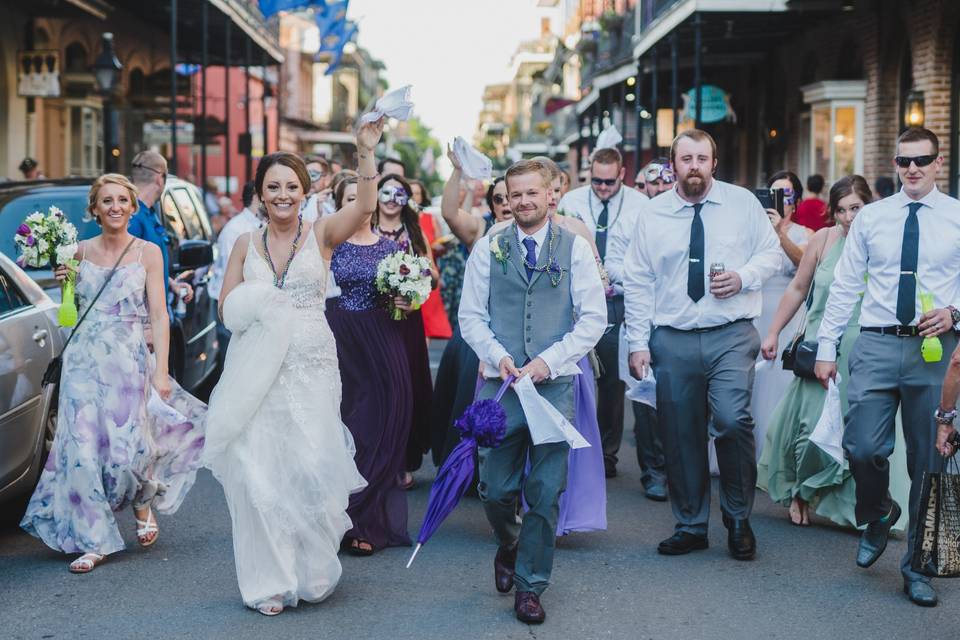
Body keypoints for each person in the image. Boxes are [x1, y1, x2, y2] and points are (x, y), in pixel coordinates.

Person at [204, 119, 383, 616]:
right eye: (273, 187)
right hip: (257, 369)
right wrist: (257, 303)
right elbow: (225, 309)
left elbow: (366, 205)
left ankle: (312, 569)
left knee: (308, 465)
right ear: (260, 194)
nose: (282, 195)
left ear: (306, 191)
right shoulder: (244, 244)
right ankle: (271, 581)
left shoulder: (322, 234)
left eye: (291, 186)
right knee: (261, 471)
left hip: (312, 365)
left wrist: (365, 150)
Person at [20, 174, 206, 573]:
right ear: (95, 209)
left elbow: (159, 313)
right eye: (107, 201)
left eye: (123, 200)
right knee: (82, 451)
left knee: (127, 450)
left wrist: (161, 373)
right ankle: (94, 538)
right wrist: (64, 286)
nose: (116, 207)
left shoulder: (149, 253)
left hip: (128, 361)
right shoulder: (74, 251)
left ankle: (142, 499)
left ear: (133, 207)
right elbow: (68, 316)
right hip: (84, 364)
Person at [815, 127, 960, 607]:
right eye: (904, 161)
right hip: (876, 344)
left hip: (933, 349)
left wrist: (956, 313)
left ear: (938, 162)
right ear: (895, 165)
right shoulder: (872, 218)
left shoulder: (957, 217)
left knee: (928, 462)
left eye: (921, 160)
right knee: (860, 446)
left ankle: (918, 567)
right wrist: (826, 347)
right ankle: (878, 511)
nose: (913, 169)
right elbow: (844, 286)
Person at [459, 158, 606, 624]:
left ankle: (531, 585)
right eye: (514, 194)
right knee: (493, 488)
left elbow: (593, 319)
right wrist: (498, 356)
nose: (522, 201)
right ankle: (510, 542)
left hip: (553, 386)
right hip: (499, 387)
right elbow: (470, 317)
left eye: (531, 193)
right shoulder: (489, 247)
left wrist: (549, 361)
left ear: (551, 196)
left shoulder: (575, 248)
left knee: (545, 491)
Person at [625, 129, 780, 560]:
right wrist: (638, 342)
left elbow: (771, 254)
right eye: (685, 158)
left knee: (732, 421)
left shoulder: (742, 204)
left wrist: (743, 277)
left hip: (730, 333)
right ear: (672, 164)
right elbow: (638, 280)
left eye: (702, 158)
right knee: (680, 434)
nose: (694, 166)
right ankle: (691, 524)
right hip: (672, 337)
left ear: (715, 162)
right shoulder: (653, 215)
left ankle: (737, 518)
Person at [758, 175, 908, 529]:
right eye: (841, 210)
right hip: (819, 344)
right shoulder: (822, 240)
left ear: (868, 206)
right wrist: (774, 331)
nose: (848, 218)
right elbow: (798, 287)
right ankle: (800, 490)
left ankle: (859, 508)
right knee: (810, 424)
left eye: (855, 208)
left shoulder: (886, 241)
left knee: (860, 432)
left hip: (866, 348)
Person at [558, 146, 665, 500]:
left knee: (624, 380)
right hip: (579, 304)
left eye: (609, 181)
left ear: (621, 175)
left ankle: (628, 459)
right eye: (596, 180)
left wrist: (615, 278)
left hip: (623, 301)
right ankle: (587, 454)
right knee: (586, 378)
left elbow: (643, 260)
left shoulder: (641, 206)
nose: (602, 187)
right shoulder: (570, 200)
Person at [326, 175, 412, 556]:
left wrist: (406, 300)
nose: (358, 203)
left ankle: (366, 520)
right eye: (349, 198)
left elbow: (405, 298)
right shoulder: (327, 245)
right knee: (344, 425)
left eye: (363, 196)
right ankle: (335, 518)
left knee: (378, 426)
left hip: (380, 339)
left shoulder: (391, 248)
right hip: (338, 337)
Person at [431, 154, 512, 469]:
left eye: (512, 196)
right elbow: (450, 211)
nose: (506, 203)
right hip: (477, 335)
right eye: (499, 199)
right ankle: (466, 469)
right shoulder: (481, 230)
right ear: (492, 206)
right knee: (471, 400)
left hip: (519, 335)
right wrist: (457, 171)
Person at [372, 174, 436, 485]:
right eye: (385, 192)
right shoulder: (365, 228)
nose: (390, 199)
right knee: (377, 387)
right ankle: (376, 458)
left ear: (406, 199)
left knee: (407, 386)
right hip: (373, 318)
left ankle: (404, 460)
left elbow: (432, 273)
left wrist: (416, 292)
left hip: (407, 319)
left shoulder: (414, 232)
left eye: (399, 193)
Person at [752, 171, 814, 459]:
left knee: (780, 383)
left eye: (786, 195)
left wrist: (779, 233)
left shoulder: (807, 234)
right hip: (757, 311)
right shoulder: (754, 232)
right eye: (773, 193)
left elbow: (803, 263)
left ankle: (777, 455)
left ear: (796, 201)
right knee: (752, 382)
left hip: (788, 315)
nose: (780, 200)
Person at [128, 151, 194, 311]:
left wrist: (172, 284)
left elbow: (149, 267)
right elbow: (128, 273)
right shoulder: (133, 218)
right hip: (142, 318)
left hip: (160, 312)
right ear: (159, 178)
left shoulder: (150, 213)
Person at [208, 181, 263, 359]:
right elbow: (231, 278)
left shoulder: (262, 226)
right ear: (257, 197)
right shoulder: (235, 230)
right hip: (235, 311)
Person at [409, 179, 452, 340]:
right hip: (407, 273)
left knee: (426, 325)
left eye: (417, 193)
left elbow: (438, 240)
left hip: (427, 269)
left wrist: (438, 248)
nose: (414, 197)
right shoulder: (401, 220)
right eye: (410, 193)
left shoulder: (430, 218)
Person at [303, 155, 333, 222]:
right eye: (305, 175)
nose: (310, 180)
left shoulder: (334, 203)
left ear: (327, 179)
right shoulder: (296, 203)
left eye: (314, 175)